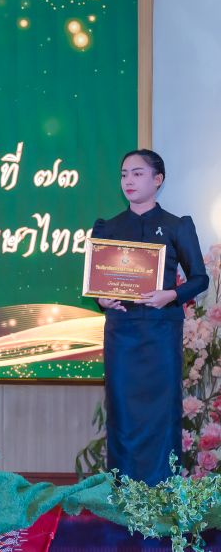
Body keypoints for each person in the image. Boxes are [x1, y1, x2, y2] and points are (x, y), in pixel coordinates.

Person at [93, 149, 208, 484]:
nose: (128, 180)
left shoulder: (176, 225)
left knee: (162, 414)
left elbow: (200, 279)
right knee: (122, 414)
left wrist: (171, 295)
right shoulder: (108, 227)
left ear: (158, 180)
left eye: (138, 173)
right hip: (122, 333)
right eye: (124, 174)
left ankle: (163, 493)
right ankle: (123, 494)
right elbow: (96, 284)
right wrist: (102, 299)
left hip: (160, 333)